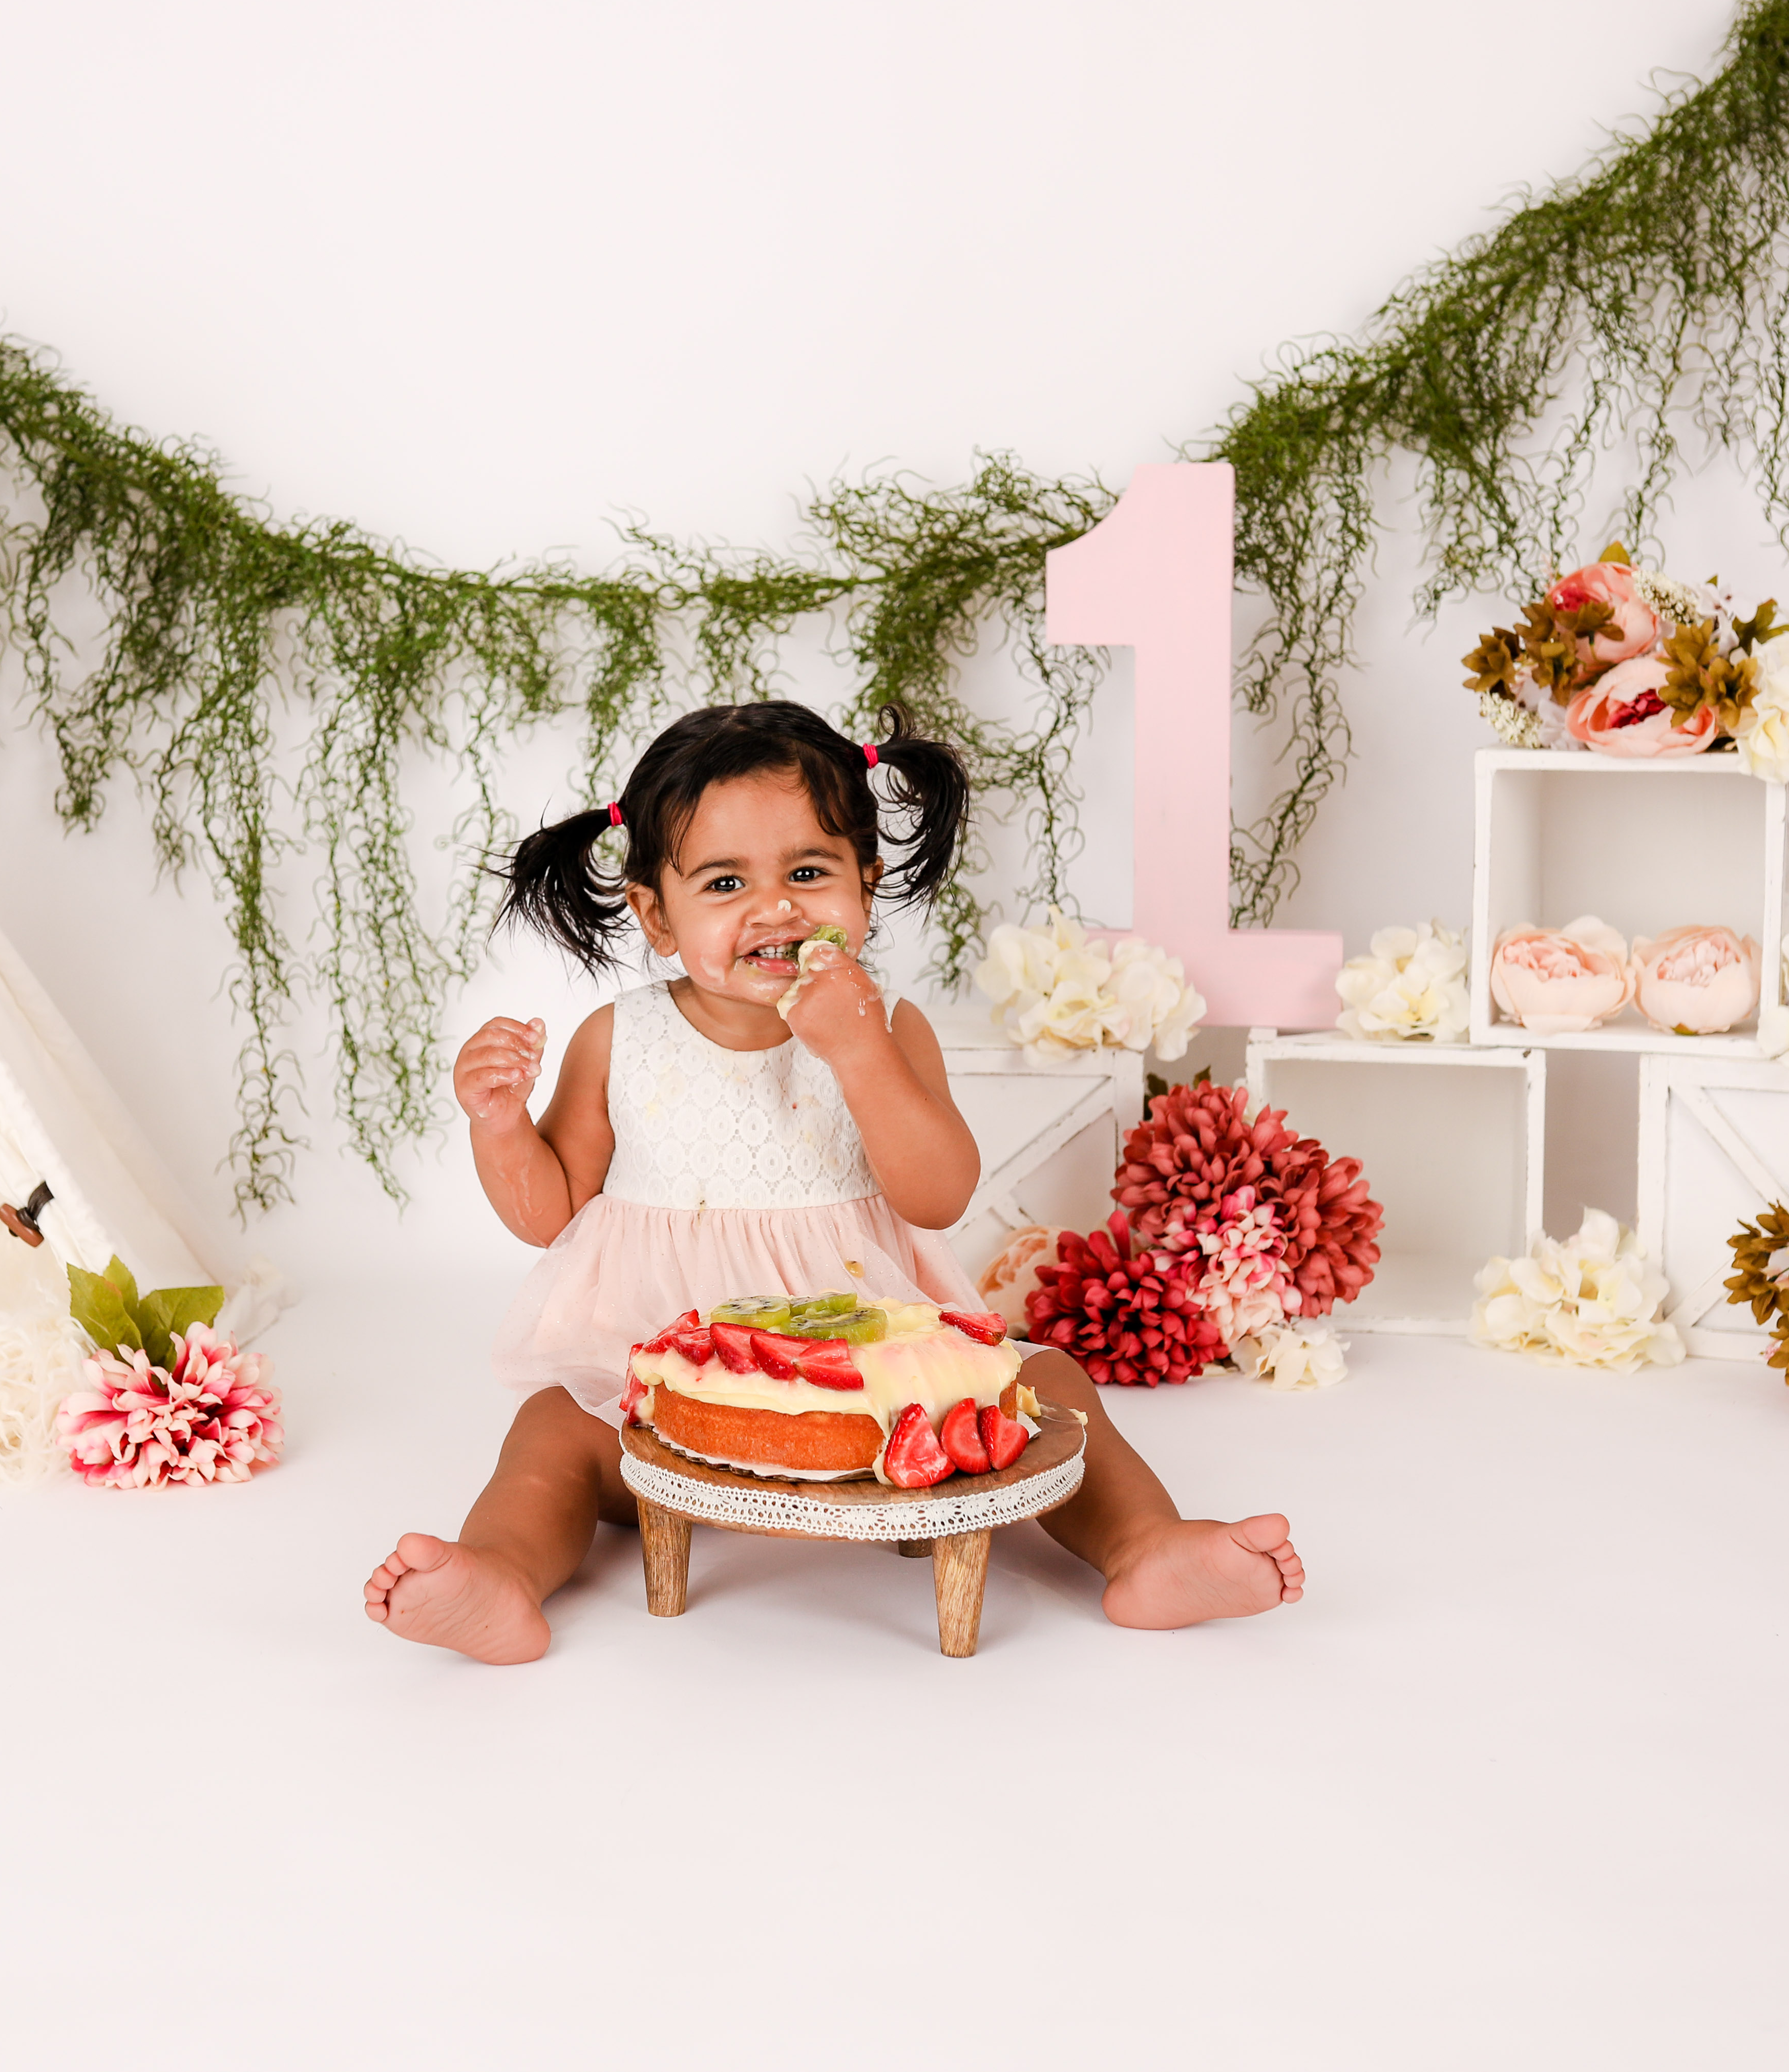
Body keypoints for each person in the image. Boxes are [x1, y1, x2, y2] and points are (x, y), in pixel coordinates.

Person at [364, 700, 1303, 1661]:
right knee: (551, 1429)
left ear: (868, 883)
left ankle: (1147, 1547)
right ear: (656, 915)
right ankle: (502, 1574)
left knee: (1053, 1385)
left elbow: (937, 1196)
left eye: (808, 872)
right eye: (726, 882)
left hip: (881, 1392)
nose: (776, 908)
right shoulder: (621, 1038)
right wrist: (499, 1125)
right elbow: (551, 1211)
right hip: (661, 1399)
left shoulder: (887, 1026)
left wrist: (858, 1053)